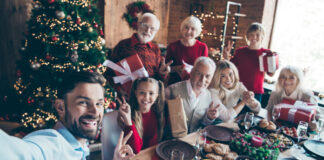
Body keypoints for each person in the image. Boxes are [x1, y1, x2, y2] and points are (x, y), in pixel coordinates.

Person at [0, 71, 134, 160]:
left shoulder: (79, 144)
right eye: (83, 102)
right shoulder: (53, 143)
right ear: (60, 107)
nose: (95, 112)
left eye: (99, 104)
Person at [107, 13, 172, 97]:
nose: (148, 30)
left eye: (152, 28)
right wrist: (119, 89)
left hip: (148, 99)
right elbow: (109, 73)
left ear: (156, 31)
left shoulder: (156, 49)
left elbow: (158, 79)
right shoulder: (123, 45)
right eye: (145, 25)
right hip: (126, 97)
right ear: (138, 25)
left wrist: (162, 73)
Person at [223, 22, 275, 103]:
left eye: (257, 34)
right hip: (238, 91)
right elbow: (231, 68)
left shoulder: (266, 53)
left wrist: (274, 63)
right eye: (251, 34)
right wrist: (226, 56)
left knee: (253, 115)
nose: (254, 37)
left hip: (256, 93)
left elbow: (271, 74)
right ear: (247, 36)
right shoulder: (240, 52)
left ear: (262, 37)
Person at [165, 57, 220, 133]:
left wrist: (209, 117)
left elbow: (203, 124)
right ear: (192, 72)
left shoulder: (208, 96)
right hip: (172, 141)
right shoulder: (171, 90)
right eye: (199, 74)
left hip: (193, 140)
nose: (202, 80)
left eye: (207, 76)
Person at [117, 77, 166, 154]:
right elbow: (135, 151)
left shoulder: (158, 113)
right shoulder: (129, 115)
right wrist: (128, 120)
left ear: (157, 96)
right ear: (136, 93)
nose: (146, 97)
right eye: (142, 93)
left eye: (151, 93)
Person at [165, 16, 208, 85]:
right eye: (186, 28)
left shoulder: (202, 47)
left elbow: (205, 69)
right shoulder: (173, 46)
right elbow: (165, 68)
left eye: (193, 29)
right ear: (182, 29)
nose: (188, 31)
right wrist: (176, 68)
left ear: (197, 32)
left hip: (194, 84)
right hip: (175, 83)